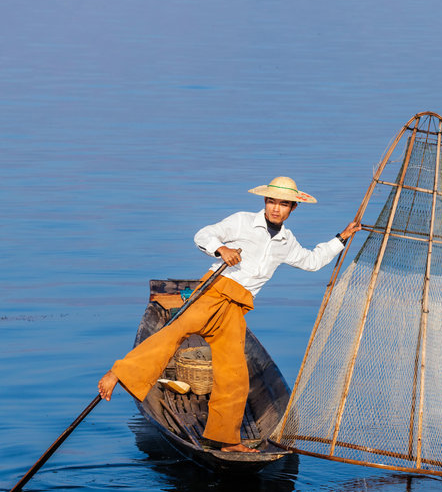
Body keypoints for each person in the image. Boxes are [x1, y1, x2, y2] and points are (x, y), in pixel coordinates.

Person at [98, 176, 360, 452]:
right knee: (173, 334)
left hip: (238, 307)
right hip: (214, 291)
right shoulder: (243, 221)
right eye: (272, 201)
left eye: (283, 204)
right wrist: (221, 249)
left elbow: (311, 261)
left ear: (293, 208)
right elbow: (203, 235)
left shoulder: (286, 241)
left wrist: (340, 238)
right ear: (265, 201)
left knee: (234, 372)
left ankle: (225, 440)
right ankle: (118, 373)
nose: (275, 208)